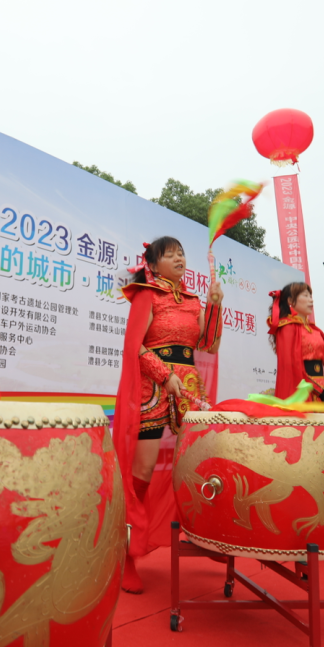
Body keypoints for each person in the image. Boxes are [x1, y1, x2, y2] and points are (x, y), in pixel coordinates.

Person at [113, 237, 223, 594]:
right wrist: (165, 375)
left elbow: (208, 344)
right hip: (153, 389)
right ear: (153, 263)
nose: (178, 258)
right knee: (141, 471)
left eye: (181, 253)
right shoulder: (146, 293)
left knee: (196, 465)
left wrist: (216, 306)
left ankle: (204, 537)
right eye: (170, 254)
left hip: (188, 387)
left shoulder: (192, 300)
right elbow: (135, 345)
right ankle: (126, 551)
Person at [269, 282, 324, 403]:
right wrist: (320, 390)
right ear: (290, 301)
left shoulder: (315, 330)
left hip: (323, 390)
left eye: (311, 296)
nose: (311, 300)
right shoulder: (286, 327)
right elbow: (291, 366)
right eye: (305, 295)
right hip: (302, 392)